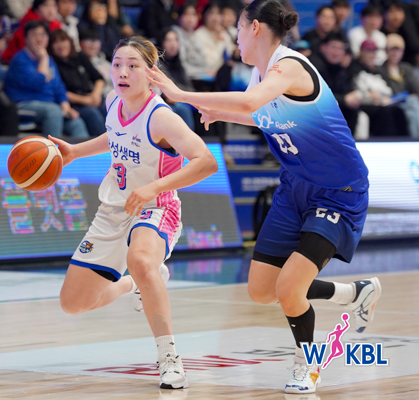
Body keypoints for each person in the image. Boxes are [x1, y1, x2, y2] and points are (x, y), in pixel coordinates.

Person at [147, 0, 382, 394]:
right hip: (295, 188)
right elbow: (259, 114)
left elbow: (251, 103)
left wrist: (182, 94)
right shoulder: (261, 74)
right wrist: (219, 112)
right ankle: (353, 293)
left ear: (254, 27)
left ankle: (307, 365)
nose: (235, 37)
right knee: (261, 290)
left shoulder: (289, 66)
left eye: (238, 28)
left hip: (337, 191)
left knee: (289, 290)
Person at [50, 36, 218, 390]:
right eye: (117, 64)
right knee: (73, 303)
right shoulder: (114, 101)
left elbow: (206, 162)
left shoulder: (162, 117)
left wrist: (154, 188)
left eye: (132, 66)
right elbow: (114, 136)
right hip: (114, 209)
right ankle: (133, 284)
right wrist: (75, 152)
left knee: (140, 259)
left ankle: (169, 359)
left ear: (150, 73)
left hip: (156, 207)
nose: (122, 72)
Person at [4, 21, 89, 138]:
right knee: (53, 111)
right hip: (24, 103)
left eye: (43, 35)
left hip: (49, 105)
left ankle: (81, 151)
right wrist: (44, 58)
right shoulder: (20, 60)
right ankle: (52, 149)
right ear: (26, 38)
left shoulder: (50, 60)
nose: (39, 39)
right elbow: (37, 83)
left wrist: (65, 105)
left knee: (76, 122)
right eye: (34, 34)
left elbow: (58, 86)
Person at [49, 29, 107, 136]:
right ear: (51, 47)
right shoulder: (52, 64)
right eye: (56, 42)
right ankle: (105, 144)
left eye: (63, 40)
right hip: (73, 105)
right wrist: (86, 101)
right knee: (92, 114)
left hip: (91, 98)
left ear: (70, 42)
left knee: (108, 109)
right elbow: (59, 91)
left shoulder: (80, 57)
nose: (61, 45)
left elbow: (99, 78)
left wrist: (96, 94)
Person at [379, 33, 419, 138]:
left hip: (408, 102)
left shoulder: (407, 68)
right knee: (413, 104)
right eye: (392, 50)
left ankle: (414, 139)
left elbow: (415, 90)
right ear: (386, 50)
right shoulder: (380, 69)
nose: (395, 53)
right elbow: (384, 91)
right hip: (390, 102)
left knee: (412, 107)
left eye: (398, 50)